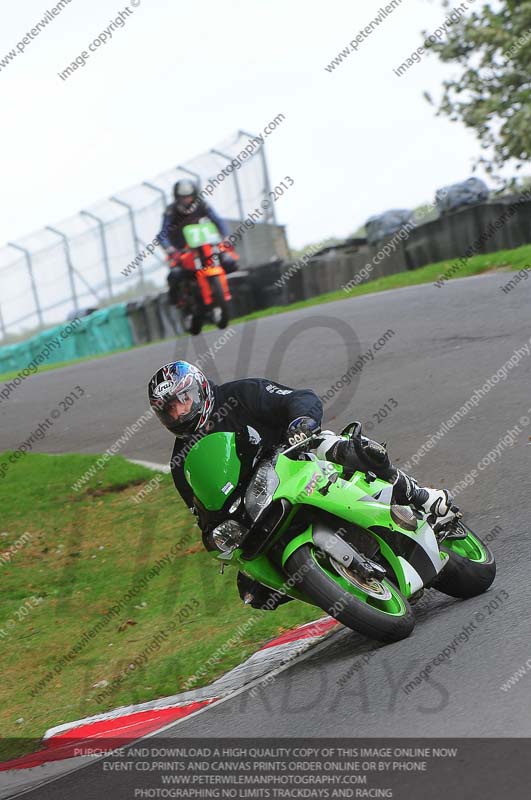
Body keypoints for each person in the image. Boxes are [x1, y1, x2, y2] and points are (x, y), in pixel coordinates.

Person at [148, 360, 459, 609]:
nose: (178, 413)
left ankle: (421, 497)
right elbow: (201, 507)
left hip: (296, 459)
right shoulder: (181, 462)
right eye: (169, 410)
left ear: (199, 390)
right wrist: (213, 532)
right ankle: (338, 586)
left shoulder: (240, 394)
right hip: (260, 505)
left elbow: (299, 398)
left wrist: (301, 421)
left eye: (181, 402)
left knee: (339, 446)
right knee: (253, 591)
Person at [158, 180, 238, 305]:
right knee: (175, 274)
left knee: (229, 262)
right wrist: (170, 248)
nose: (187, 200)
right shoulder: (171, 211)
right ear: (177, 198)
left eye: (189, 196)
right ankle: (179, 300)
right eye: (183, 197)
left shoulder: (202, 205)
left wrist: (226, 236)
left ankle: (228, 289)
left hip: (206, 245)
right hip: (182, 250)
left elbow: (218, 221)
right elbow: (163, 234)